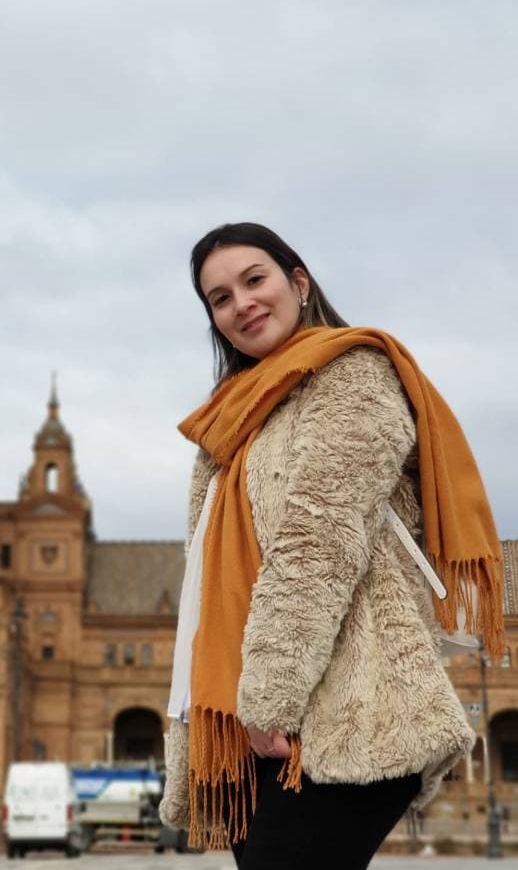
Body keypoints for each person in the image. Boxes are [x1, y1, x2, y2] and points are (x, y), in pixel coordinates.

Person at [159, 222, 504, 870]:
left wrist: (267, 700)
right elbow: (207, 583)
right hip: (260, 725)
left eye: (254, 279)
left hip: (344, 710)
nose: (242, 303)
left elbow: (316, 546)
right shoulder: (232, 420)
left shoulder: (351, 377)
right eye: (220, 297)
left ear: (298, 281)